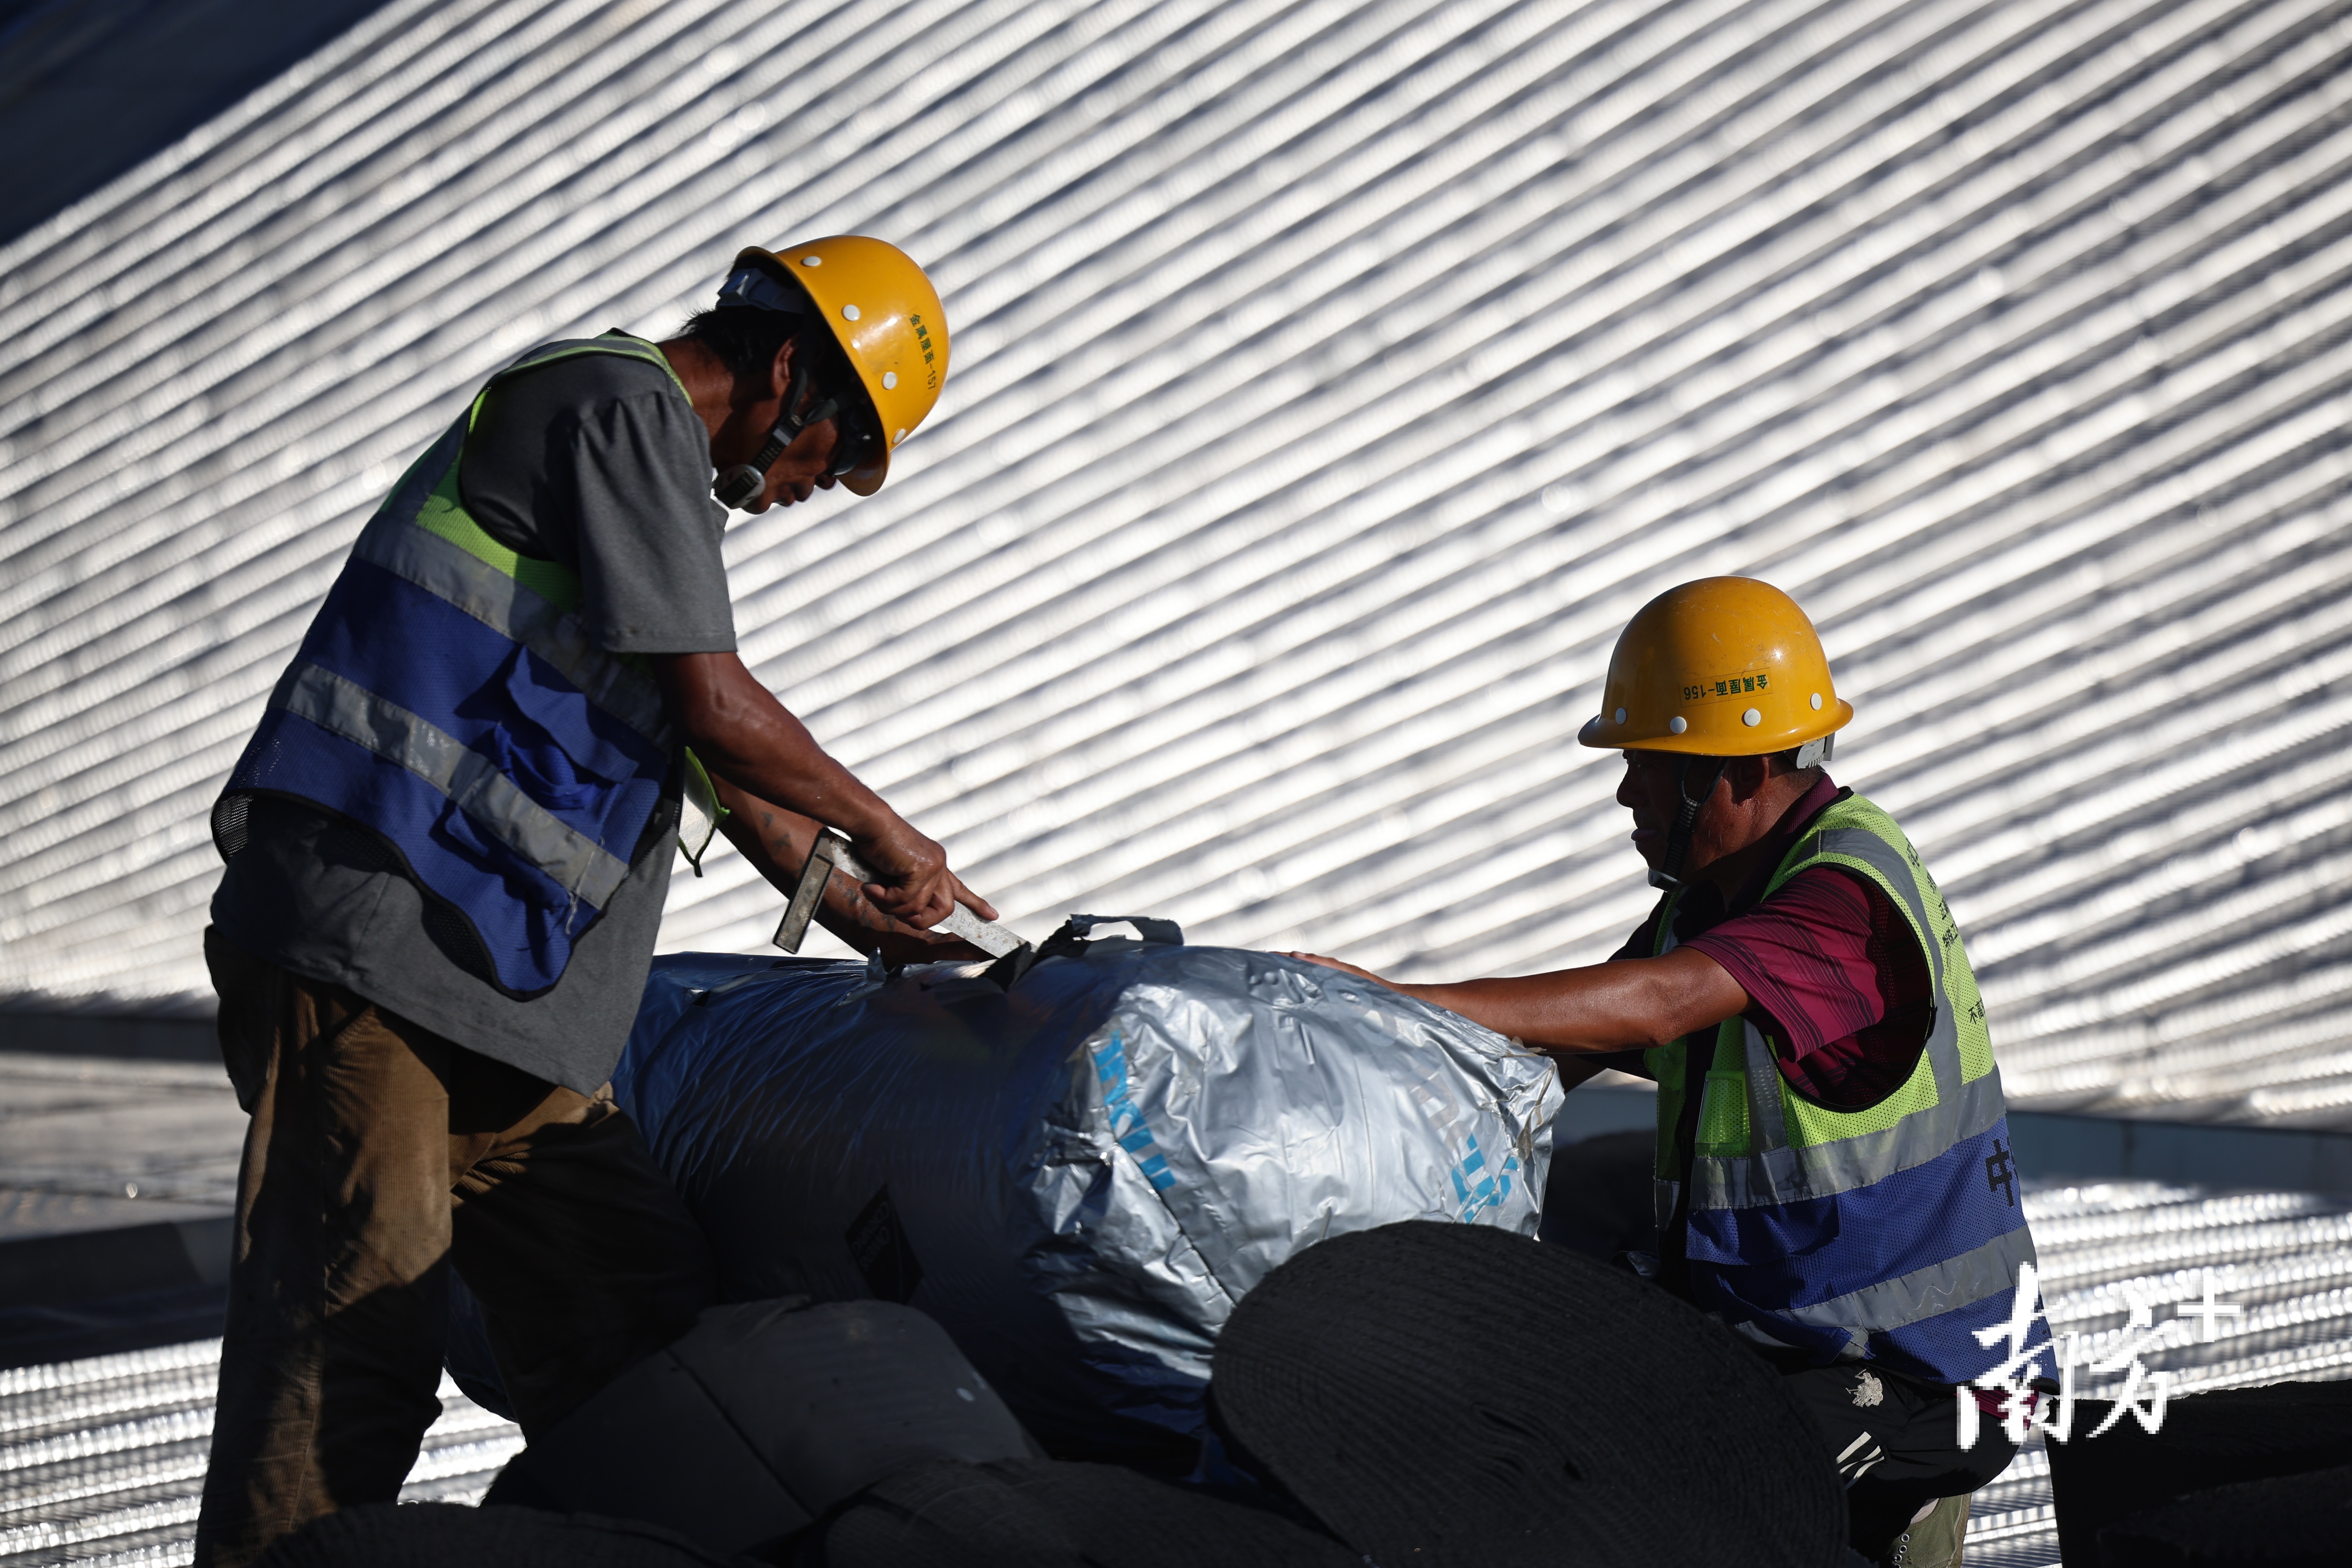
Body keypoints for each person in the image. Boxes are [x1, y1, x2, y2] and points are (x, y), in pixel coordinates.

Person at [196, 236, 990, 1567]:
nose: (820, 485)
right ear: (788, 373)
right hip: (378, 944)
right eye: (838, 448)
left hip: (491, 995)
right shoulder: (615, 407)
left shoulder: (646, 499)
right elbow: (714, 704)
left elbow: (692, 746)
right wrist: (889, 831)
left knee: (630, 1313)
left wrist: (845, 901)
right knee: (349, 1346)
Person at [1293, 576, 2040, 1567]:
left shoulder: (1841, 902)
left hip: (1922, 1374)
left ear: (1742, 768)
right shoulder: (1722, 895)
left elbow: (1658, 1003)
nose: (1625, 793)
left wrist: (1395, 999)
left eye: (1649, 764)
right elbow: (1571, 1041)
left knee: (1682, 1508)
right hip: (1788, 1340)